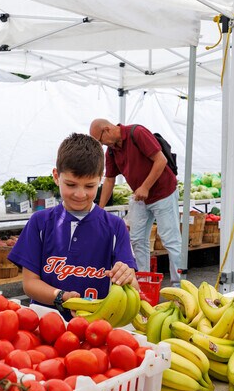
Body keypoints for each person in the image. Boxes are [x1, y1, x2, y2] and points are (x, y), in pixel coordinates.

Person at [8, 133, 138, 317]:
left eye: (89, 186)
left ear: (101, 179)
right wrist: (60, 297)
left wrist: (127, 275)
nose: (80, 194)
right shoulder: (39, 223)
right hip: (44, 323)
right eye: (71, 184)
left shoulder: (115, 227)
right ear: (56, 176)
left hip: (95, 326)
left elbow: (133, 286)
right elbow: (29, 283)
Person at [90, 119, 182, 284]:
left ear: (107, 130)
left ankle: (179, 284)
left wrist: (145, 187)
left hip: (163, 192)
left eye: (100, 140)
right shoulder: (111, 152)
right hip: (140, 198)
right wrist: (100, 209)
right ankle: (143, 282)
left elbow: (161, 160)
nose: (102, 145)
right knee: (137, 239)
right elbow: (109, 180)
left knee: (170, 240)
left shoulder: (137, 133)